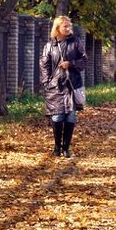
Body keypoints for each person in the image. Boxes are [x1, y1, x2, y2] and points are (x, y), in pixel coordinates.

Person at [39, 15, 88, 158]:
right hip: (55, 87)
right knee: (57, 117)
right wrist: (47, 83)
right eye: (65, 26)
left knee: (71, 116)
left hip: (72, 85)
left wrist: (71, 64)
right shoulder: (49, 46)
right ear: (57, 28)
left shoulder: (76, 43)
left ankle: (66, 148)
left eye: (70, 26)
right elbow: (44, 66)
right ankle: (56, 147)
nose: (68, 28)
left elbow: (84, 60)